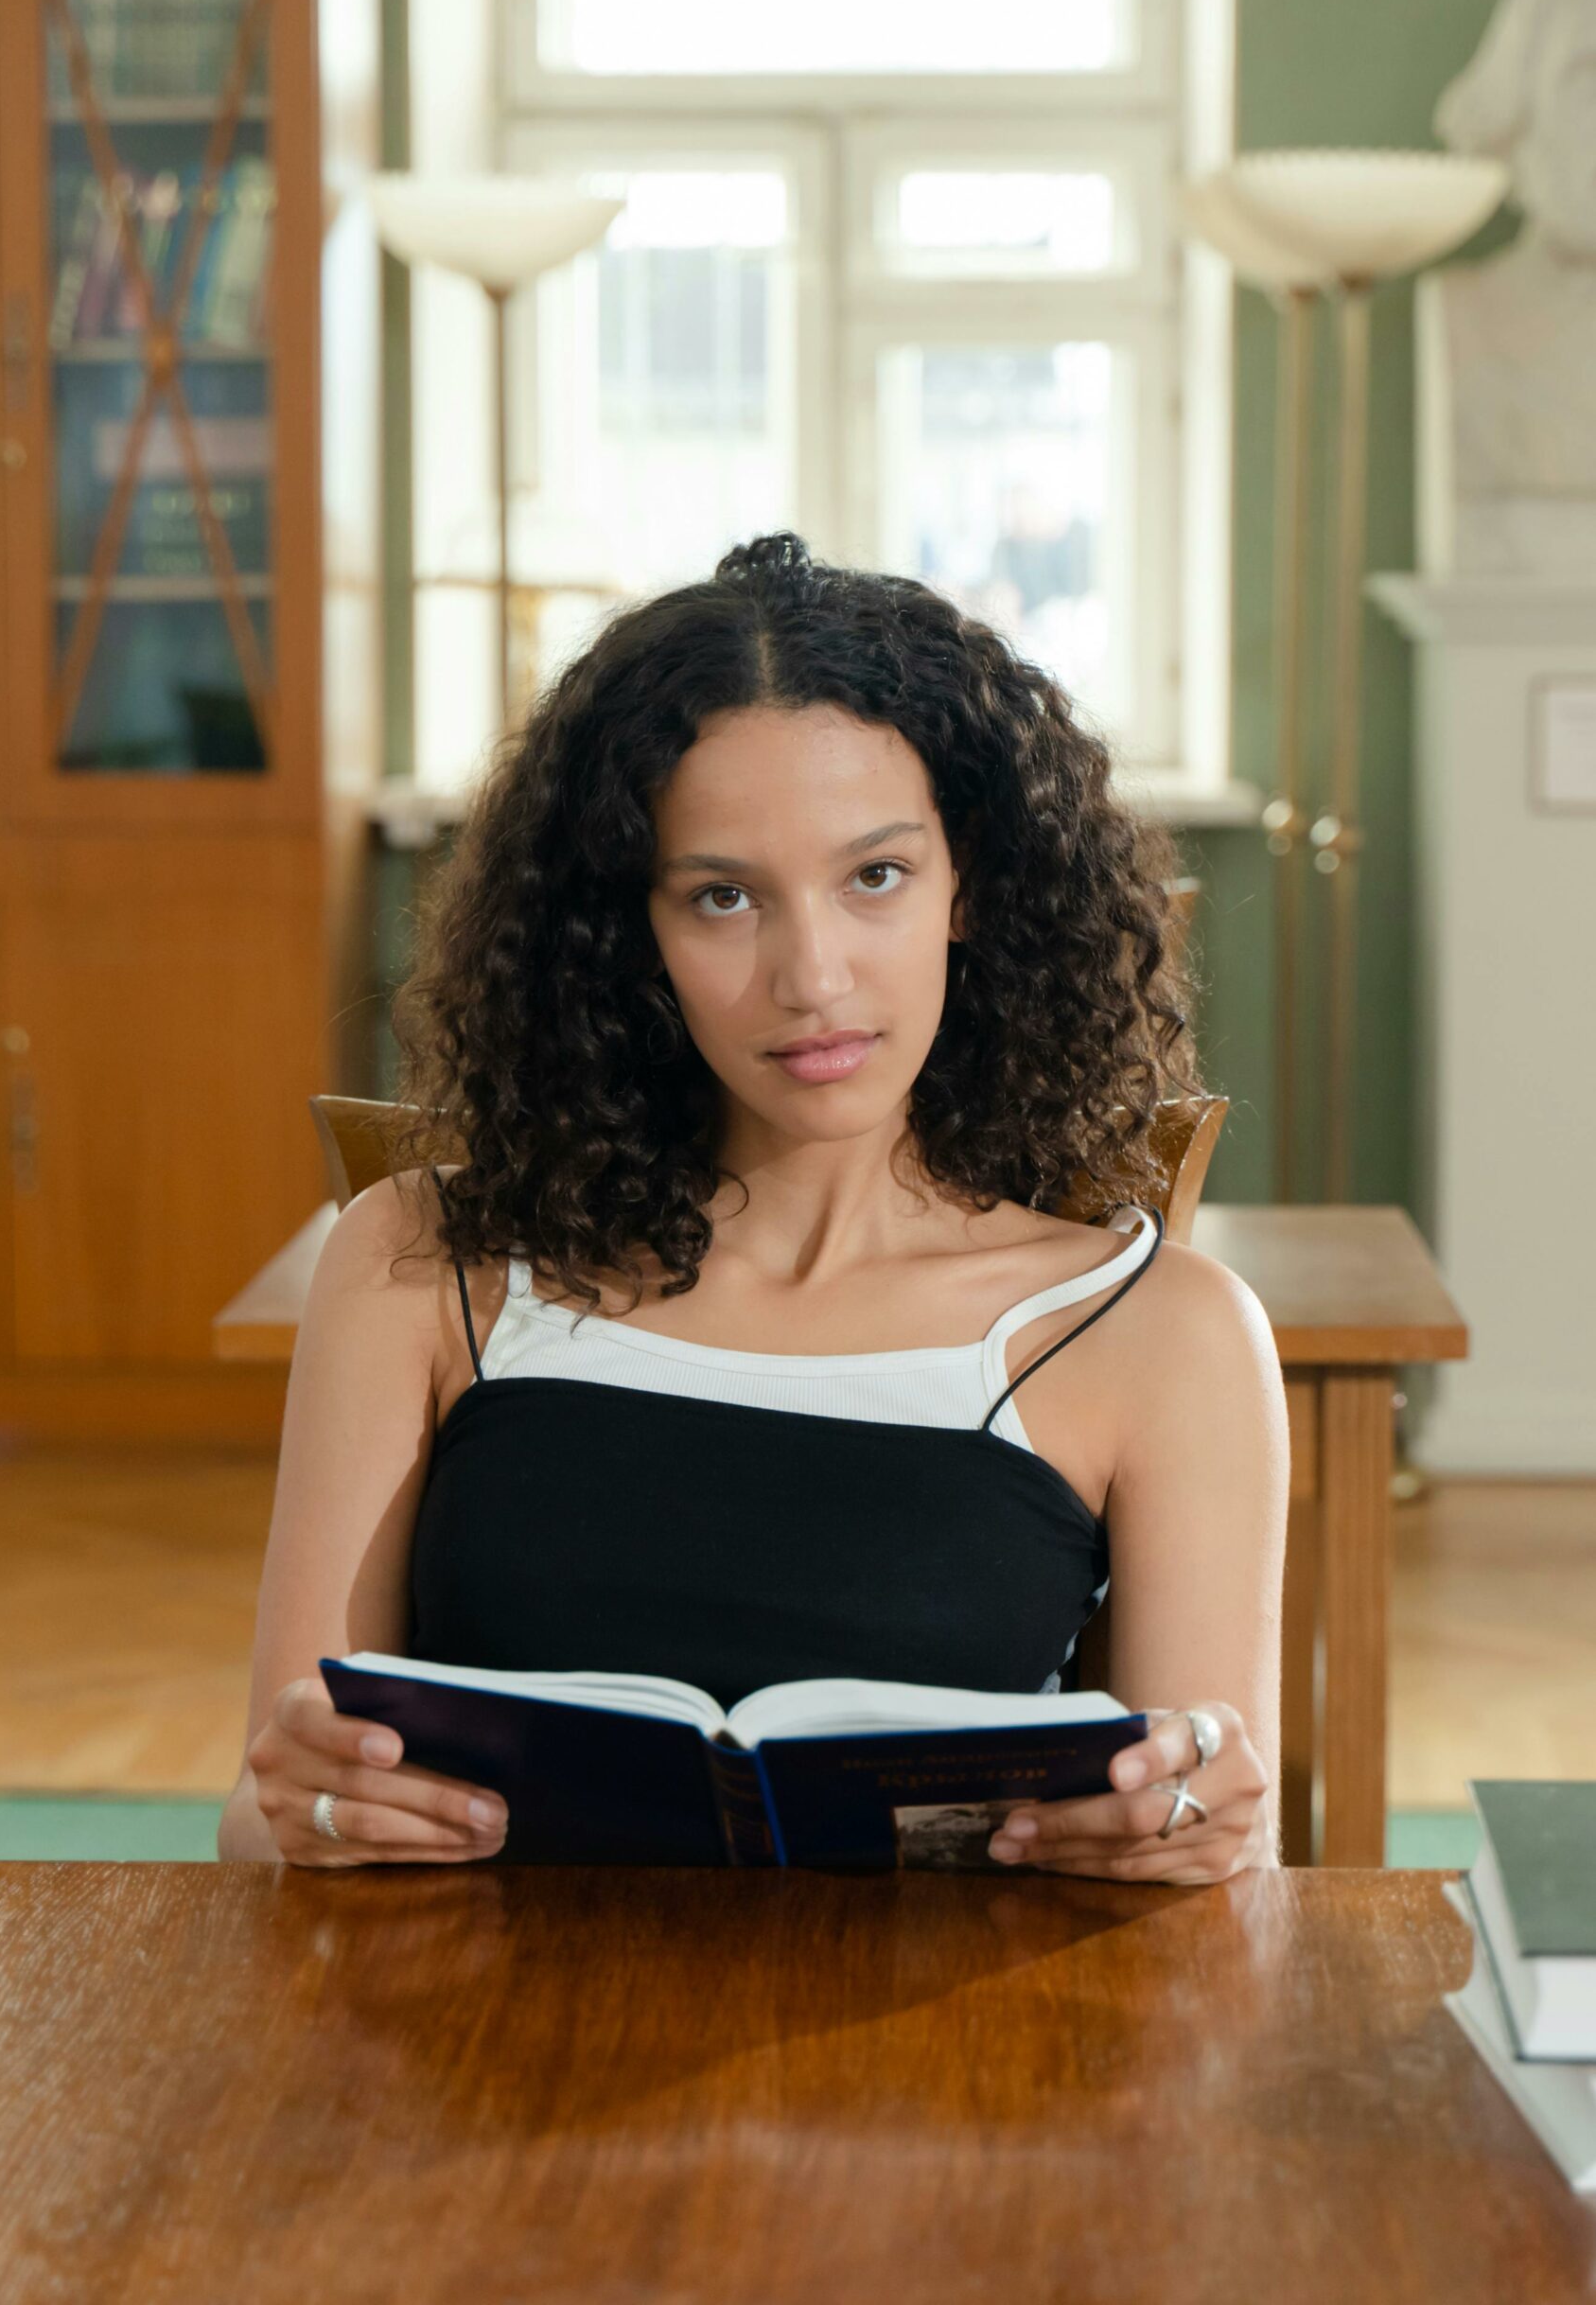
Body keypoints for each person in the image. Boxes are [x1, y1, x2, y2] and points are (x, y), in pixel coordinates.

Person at [218, 532, 1288, 1880]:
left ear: (973, 888)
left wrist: (1189, 1831)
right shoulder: (425, 1264)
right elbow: (257, 1824)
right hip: (477, 2065)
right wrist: (305, 1809)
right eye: (723, 897)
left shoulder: (1163, 1331)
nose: (813, 976)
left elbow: (1226, 1868)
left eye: (876, 878)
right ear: (631, 935)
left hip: (951, 2071)